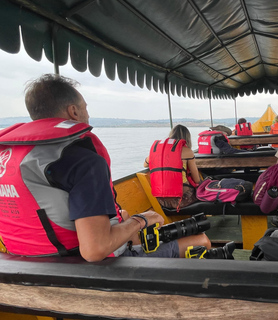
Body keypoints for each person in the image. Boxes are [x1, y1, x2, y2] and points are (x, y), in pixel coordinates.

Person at [0, 74, 210, 262]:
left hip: (25, 264)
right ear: (73, 111)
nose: (87, 115)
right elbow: (95, 250)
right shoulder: (83, 161)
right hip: (90, 271)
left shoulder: (10, 158)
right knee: (202, 240)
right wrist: (142, 219)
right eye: (85, 108)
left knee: (125, 214)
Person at [144, 124, 201, 210]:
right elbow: (196, 180)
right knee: (202, 190)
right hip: (183, 200)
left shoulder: (159, 150)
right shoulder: (187, 152)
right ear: (187, 138)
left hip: (161, 201)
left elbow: (145, 164)